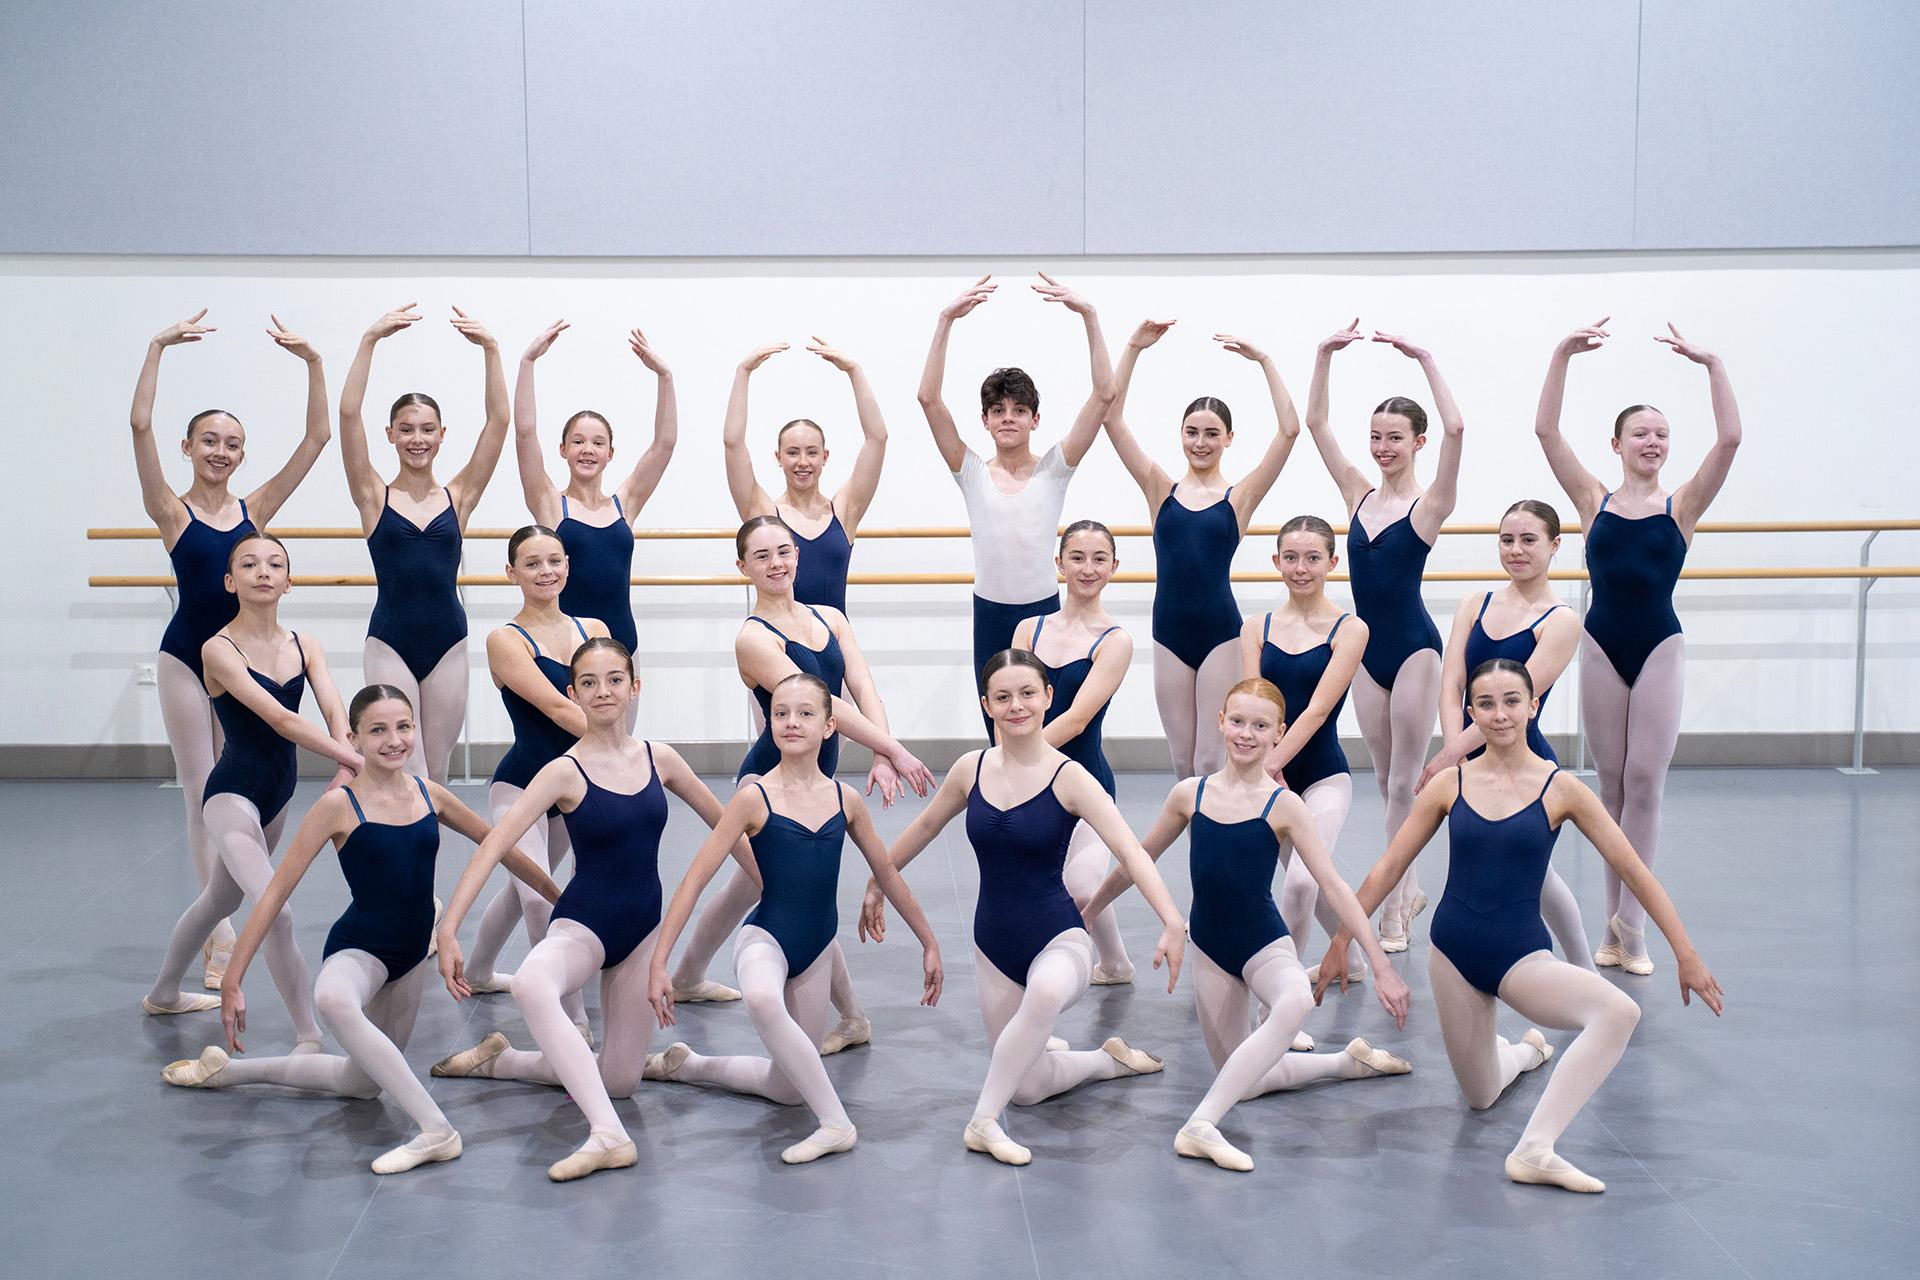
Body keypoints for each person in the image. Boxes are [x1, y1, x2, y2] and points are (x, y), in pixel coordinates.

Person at [1315, 659, 1725, 1193]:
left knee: (1618, 1011)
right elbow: (1387, 869)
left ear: (1533, 706)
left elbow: (1634, 873)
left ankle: (1535, 1148)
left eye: (1512, 701)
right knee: (1481, 1096)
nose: (1500, 713)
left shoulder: (1562, 790)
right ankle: (1528, 1051)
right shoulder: (1449, 784)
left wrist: (1686, 953)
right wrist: (1340, 941)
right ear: (1470, 714)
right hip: (1453, 958)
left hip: (1521, 958)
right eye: (1486, 703)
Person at [160, 685, 560, 1175]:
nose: (393, 740)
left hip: (411, 956)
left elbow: (502, 847)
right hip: (360, 947)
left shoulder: (429, 794)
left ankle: (229, 1072)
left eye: (403, 727)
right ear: (354, 738)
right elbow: (274, 895)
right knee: (333, 1000)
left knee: (361, 1083)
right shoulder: (337, 806)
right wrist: (235, 978)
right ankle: (438, 1130)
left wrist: (562, 900)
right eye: (378, 730)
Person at [430, 639, 741, 1182]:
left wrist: (771, 883)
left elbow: (730, 824)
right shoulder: (562, 771)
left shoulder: (660, 758)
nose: (603, 692)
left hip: (643, 929)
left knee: (620, 1081)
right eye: (590, 683)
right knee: (530, 984)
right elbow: (495, 844)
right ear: (572, 693)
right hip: (585, 923)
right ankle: (607, 1135)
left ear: (634, 686)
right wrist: (450, 926)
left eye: (614, 679)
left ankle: (502, 1060)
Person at [861, 651, 1187, 1166]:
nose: (1017, 706)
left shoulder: (1071, 777)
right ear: (987, 705)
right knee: (1027, 1086)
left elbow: (1130, 850)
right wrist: (878, 881)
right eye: (1004, 697)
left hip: (1059, 938)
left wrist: (1171, 920)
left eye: (1028, 694)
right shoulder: (972, 769)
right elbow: (925, 827)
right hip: (993, 944)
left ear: (1048, 698)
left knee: (1046, 994)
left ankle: (981, 1122)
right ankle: (1106, 1060)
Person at [1083, 679, 1413, 1172]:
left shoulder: (1284, 806)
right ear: (1220, 721)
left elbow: (1335, 886)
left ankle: (1199, 1125)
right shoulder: (1188, 795)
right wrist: (1087, 913)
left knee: (1297, 998)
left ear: (1279, 734)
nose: (1245, 734)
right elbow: (1139, 859)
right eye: (1237, 721)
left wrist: (1380, 964)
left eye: (1260, 726)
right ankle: (1347, 1062)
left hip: (1263, 941)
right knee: (1247, 1077)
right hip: (1211, 949)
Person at [642, 673, 943, 1164]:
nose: (791, 722)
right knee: (760, 997)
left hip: (816, 947)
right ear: (769, 722)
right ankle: (837, 1123)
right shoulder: (753, 798)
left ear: (830, 727)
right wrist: (660, 964)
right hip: (767, 939)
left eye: (805, 713)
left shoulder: (846, 801)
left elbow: (886, 872)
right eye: (780, 713)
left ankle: (688, 1065)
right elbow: (693, 881)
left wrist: (929, 942)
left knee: (786, 1089)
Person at [665, 516, 932, 1053]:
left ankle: (689, 976)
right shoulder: (752, 637)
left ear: (798, 555)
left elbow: (861, 685)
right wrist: (897, 751)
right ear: (743, 567)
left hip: (816, 780)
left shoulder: (830, 617)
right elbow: (822, 704)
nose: (777, 563)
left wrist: (882, 749)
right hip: (767, 784)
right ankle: (853, 1015)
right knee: (791, 895)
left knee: (754, 886)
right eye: (761, 556)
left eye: (784, 551)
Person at [127, 309, 333, 989]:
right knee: (199, 790)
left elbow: (318, 438)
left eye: (233, 443)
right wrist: (157, 347)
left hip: (243, 663)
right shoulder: (171, 511)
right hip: (187, 658)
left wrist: (311, 361)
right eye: (210, 441)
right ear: (189, 448)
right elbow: (138, 427)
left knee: (241, 779)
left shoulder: (255, 511)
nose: (222, 451)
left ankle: (224, 903)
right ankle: (217, 935)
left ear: (243, 454)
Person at [1534, 320, 1742, 974]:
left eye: (1661, 435)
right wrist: (1562, 354)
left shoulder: (1682, 506)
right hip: (1600, 645)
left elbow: (1731, 437)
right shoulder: (1592, 502)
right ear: (1617, 444)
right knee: (1612, 786)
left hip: (1659, 647)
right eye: (1640, 433)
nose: (1652, 442)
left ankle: (1635, 923)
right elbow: (1546, 432)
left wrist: (1711, 363)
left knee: (1647, 782)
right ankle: (1613, 926)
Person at [143, 535, 360, 1047]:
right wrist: (350, 758)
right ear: (229, 581)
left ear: (290, 581)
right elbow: (281, 718)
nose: (263, 571)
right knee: (275, 911)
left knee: (218, 898)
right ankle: (309, 1036)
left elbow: (333, 708)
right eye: (249, 564)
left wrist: (346, 742)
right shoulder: (217, 648)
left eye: (275, 563)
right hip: (231, 795)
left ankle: (164, 993)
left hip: (276, 797)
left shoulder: (307, 645)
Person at [1299, 321, 1465, 951]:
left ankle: (1394, 908)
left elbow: (1456, 430)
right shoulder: (1358, 497)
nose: (1382, 447)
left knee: (1405, 783)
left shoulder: (1429, 506)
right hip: (1368, 654)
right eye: (1376, 437)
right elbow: (1316, 425)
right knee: (1382, 781)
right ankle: (1411, 884)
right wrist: (1323, 354)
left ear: (1416, 441)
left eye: (1394, 437)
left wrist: (1425, 356)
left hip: (1416, 650)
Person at [1104, 319, 1302, 777]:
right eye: (1192, 432)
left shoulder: (1240, 498)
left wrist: (1266, 362)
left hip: (1219, 633)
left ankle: (1212, 847)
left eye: (1212, 433)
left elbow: (1289, 431)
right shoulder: (1160, 490)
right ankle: (1197, 849)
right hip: (1169, 629)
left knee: (1211, 758)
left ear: (1229, 439)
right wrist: (1133, 346)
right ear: (1181, 435)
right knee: (1180, 761)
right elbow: (1111, 418)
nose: (1201, 442)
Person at [916, 274, 1113, 705]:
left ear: (1035, 420)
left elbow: (1104, 395)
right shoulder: (970, 471)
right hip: (989, 612)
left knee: (1041, 721)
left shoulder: (1054, 470)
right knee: (997, 721)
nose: (1009, 418)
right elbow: (928, 399)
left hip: (1043, 611)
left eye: (1020, 410)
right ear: (985, 420)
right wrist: (945, 320)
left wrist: (1090, 316)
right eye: (998, 410)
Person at [338, 302, 512, 782]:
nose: (418, 439)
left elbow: (499, 421)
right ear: (390, 435)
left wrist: (492, 350)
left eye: (427, 429)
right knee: (399, 765)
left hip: (448, 641)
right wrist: (369, 339)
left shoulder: (460, 497)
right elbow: (348, 415)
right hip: (389, 640)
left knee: (435, 772)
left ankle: (427, 857)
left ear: (441, 435)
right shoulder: (374, 497)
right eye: (407, 430)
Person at [1418, 499, 1593, 970]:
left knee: (1535, 875)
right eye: (1507, 540)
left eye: (1529, 540)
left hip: (1524, 762)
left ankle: (1582, 969)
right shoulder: (1476, 603)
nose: (1516, 550)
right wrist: (1455, 753)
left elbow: (1515, 702)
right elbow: (1453, 681)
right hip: (1472, 755)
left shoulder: (1562, 620)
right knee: (1524, 874)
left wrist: (1450, 755)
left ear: (1555, 546)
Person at [455, 526, 609, 1037]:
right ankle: (572, 1016)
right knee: (539, 894)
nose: (546, 572)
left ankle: (477, 971)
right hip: (522, 786)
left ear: (568, 565)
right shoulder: (505, 638)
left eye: (554, 561)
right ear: (512, 573)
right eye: (533, 563)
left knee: (522, 883)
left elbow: (612, 696)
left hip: (574, 788)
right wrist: (623, 745)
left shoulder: (594, 628)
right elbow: (556, 706)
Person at [1239, 515, 1370, 982]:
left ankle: (1283, 995)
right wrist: (1257, 769)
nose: (1301, 568)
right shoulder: (1257, 627)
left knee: (1299, 881)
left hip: (1321, 778)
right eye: (1291, 557)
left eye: (1313, 558)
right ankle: (1350, 962)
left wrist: (1271, 764)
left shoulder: (1350, 629)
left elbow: (1316, 710)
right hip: (1268, 778)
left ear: (1332, 562)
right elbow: (1253, 703)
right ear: (1276, 561)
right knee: (1311, 880)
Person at [1012, 520, 1136, 983]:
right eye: (1077, 558)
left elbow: (1078, 718)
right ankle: (1116, 963)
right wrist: (1013, 762)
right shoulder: (1028, 630)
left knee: (1082, 888)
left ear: (1114, 567)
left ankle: (1094, 966)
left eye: (1099, 558)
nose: (1088, 568)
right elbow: (1013, 701)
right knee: (1028, 886)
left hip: (1084, 781)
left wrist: (1016, 755)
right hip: (1031, 780)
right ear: (1059, 564)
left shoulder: (1116, 640)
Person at [512, 318, 678, 659]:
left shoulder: (625, 504)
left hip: (623, 645)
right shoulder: (550, 504)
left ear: (609, 453)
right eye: (578, 441)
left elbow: (664, 443)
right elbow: (525, 435)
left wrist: (665, 377)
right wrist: (527, 362)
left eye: (597, 443)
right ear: (563, 450)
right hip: (570, 649)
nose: (588, 449)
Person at [723, 337, 887, 615]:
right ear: (778, 458)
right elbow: (733, 444)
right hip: (779, 644)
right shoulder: (764, 512)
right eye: (792, 453)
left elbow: (877, 439)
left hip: (834, 642)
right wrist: (743, 373)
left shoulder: (845, 511)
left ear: (824, 457)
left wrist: (854, 371)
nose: (802, 462)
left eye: (812, 452)